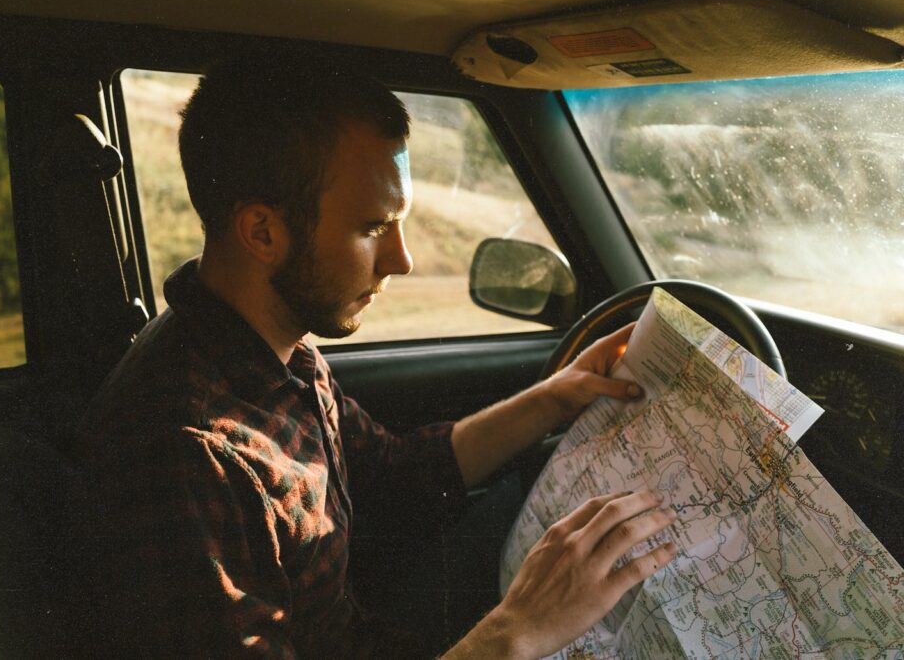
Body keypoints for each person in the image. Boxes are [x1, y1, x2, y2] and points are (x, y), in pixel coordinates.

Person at [72, 54, 677, 658]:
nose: (402, 260)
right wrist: (518, 629)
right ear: (261, 233)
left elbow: (392, 474)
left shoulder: (278, 349)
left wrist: (555, 396)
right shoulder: (191, 454)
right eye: (372, 228)